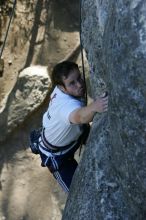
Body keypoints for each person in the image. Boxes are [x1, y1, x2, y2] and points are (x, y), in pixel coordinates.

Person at [31, 61, 108, 193]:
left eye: (79, 77)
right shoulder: (65, 106)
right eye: (72, 83)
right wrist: (95, 107)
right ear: (61, 88)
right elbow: (80, 117)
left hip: (71, 134)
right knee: (77, 192)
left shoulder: (61, 90)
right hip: (57, 156)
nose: (79, 84)